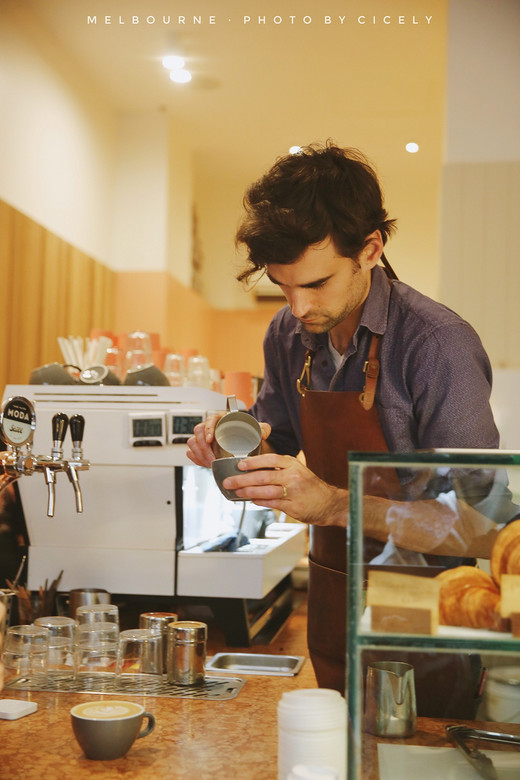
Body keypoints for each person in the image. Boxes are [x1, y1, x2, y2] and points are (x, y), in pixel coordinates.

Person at [187, 142, 515, 717]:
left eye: (315, 284)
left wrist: (337, 506)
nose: (297, 306)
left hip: (422, 604)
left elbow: (480, 526)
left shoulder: (438, 346)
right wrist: (231, 452)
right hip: (333, 590)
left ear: (370, 249)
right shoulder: (288, 336)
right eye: (283, 286)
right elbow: (274, 456)